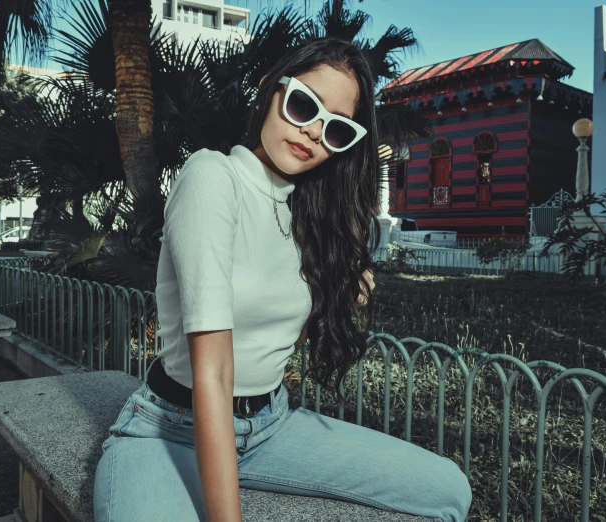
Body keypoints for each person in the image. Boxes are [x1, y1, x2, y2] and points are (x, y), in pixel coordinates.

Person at [93, 37, 472, 522]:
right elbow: (214, 373)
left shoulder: (307, 217)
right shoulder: (213, 177)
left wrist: (336, 294)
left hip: (271, 427)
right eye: (302, 105)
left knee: (447, 492)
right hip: (172, 429)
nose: (314, 132)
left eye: (337, 131)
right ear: (270, 90)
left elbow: (269, 344)